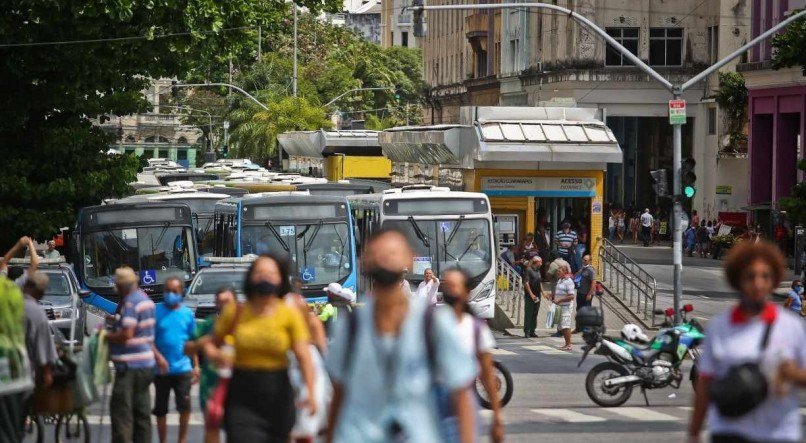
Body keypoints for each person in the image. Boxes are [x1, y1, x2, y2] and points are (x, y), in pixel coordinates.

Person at [325, 229, 477, 443]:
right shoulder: (351, 327)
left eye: (393, 251)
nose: (385, 257)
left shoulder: (433, 324)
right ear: (364, 261)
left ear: (409, 258)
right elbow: (338, 395)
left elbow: (461, 393)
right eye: (378, 252)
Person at [688, 241, 806, 442]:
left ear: (774, 280)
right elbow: (705, 384)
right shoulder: (719, 327)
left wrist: (792, 374)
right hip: (730, 431)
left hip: (778, 432)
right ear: (738, 280)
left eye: (765, 276)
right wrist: (694, 432)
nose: (758, 283)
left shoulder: (791, 326)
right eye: (750, 276)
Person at [212, 253, 317, 442]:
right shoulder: (235, 312)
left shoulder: (289, 314)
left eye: (270, 272)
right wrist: (217, 356)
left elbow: (303, 355)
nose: (265, 276)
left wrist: (310, 391)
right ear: (250, 277)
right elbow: (212, 344)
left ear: (280, 279)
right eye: (259, 272)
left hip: (278, 394)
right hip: (241, 395)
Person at [441, 268, 504, 443]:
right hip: (432, 402)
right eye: (446, 286)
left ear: (466, 292)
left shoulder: (476, 328)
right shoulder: (431, 323)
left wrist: (497, 417)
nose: (449, 291)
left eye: (454, 286)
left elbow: (486, 374)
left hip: (463, 401)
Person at [106, 267, 156, 443]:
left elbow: (127, 334)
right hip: (146, 366)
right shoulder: (146, 300)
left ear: (121, 286)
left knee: (122, 415)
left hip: (130, 367)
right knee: (142, 414)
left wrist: (106, 336)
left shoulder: (130, 303)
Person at [183, 287, 236, 443]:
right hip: (211, 386)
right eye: (219, 302)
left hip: (238, 386)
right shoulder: (208, 324)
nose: (223, 305)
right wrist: (204, 343)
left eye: (227, 301)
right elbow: (187, 347)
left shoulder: (245, 323)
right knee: (212, 428)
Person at [152, 277, 198, 443]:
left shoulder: (187, 314)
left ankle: (182, 440)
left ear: (181, 293)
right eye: (167, 291)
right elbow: (149, 340)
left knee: (185, 408)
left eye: (174, 291)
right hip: (161, 370)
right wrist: (158, 358)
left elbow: (193, 341)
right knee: (160, 410)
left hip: (183, 369)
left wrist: (197, 366)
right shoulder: (156, 311)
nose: (170, 294)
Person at [22, 272, 57, 412]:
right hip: (22, 370)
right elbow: (43, 348)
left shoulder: (9, 302)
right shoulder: (36, 312)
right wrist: (48, 374)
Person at [553, 263, 575, 351]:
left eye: (559, 271)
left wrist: (560, 300)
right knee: (562, 326)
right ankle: (566, 343)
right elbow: (559, 292)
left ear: (565, 272)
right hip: (560, 306)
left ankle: (569, 344)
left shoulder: (568, 281)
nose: (558, 272)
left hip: (566, 306)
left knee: (566, 325)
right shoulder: (560, 280)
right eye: (557, 270)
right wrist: (552, 296)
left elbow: (571, 296)